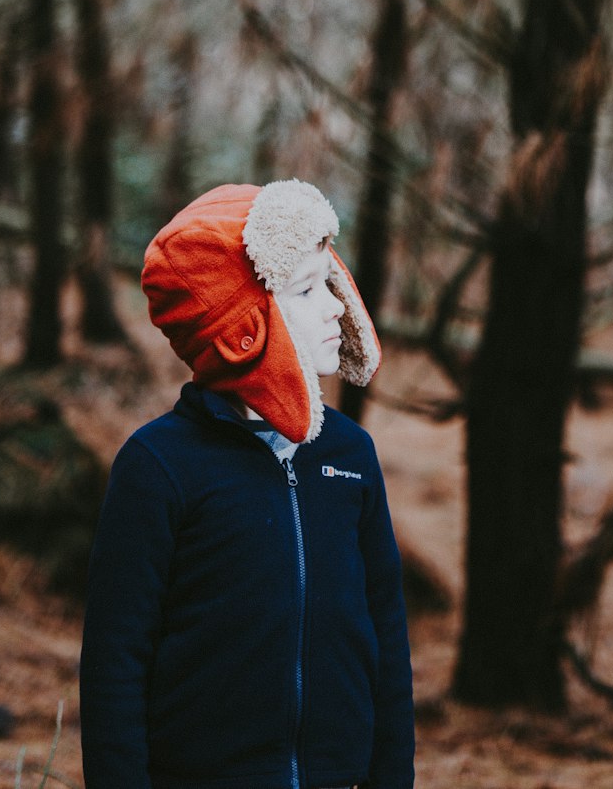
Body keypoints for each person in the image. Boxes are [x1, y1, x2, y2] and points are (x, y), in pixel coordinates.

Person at [79, 179, 415, 789]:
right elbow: (114, 664)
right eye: (307, 289)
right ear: (241, 326)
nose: (336, 305)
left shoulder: (350, 454)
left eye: (329, 282)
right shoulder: (159, 467)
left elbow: (386, 634)